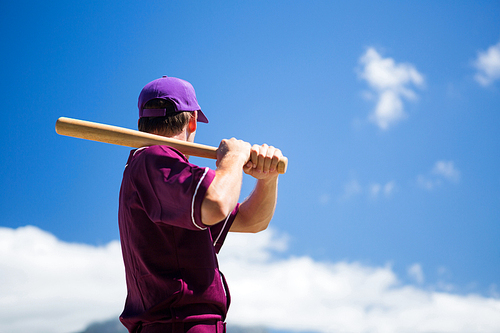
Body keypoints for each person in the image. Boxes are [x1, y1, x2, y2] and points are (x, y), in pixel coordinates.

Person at [118, 76, 283, 333]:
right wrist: (233, 161)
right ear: (192, 121)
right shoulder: (154, 158)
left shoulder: (156, 171)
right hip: (179, 325)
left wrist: (268, 179)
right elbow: (217, 204)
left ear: (141, 123)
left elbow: (253, 221)